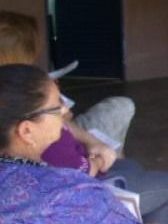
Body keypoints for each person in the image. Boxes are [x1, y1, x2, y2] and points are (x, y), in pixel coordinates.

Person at [0, 11, 168, 224]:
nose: (65, 109)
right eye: (56, 107)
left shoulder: (18, 111)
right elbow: (79, 174)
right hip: (85, 179)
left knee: (130, 165)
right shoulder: (75, 194)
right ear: (27, 131)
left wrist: (87, 140)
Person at [0, 10, 134, 151]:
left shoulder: (15, 84)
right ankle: (114, 165)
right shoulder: (20, 87)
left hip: (49, 142)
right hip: (54, 151)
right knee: (122, 106)